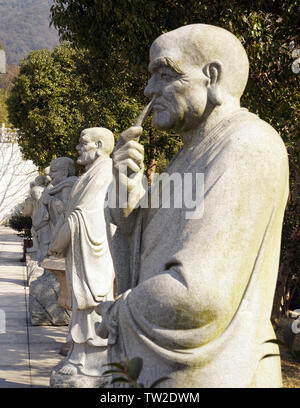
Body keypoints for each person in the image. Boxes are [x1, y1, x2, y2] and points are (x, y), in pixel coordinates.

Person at [96, 24, 289, 388]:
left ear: (212, 76)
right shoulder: (189, 154)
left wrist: (121, 311)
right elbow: (144, 236)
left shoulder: (247, 146)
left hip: (213, 372)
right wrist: (126, 184)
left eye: (164, 74)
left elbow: (196, 295)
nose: (149, 91)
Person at [48, 128, 115, 380]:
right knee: (81, 305)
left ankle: (91, 363)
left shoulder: (103, 173)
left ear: (98, 145)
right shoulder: (91, 173)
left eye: (83, 143)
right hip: (83, 249)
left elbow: (81, 216)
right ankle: (79, 356)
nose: (78, 147)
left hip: (93, 251)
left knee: (92, 303)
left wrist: (57, 242)